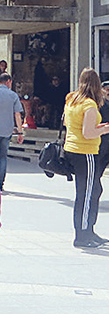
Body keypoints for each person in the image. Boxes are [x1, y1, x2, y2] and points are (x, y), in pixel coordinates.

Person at [63, 68, 109, 248]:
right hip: (86, 151)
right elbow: (88, 133)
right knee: (86, 194)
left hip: (72, 148)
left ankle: (88, 230)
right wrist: (105, 129)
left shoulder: (72, 100)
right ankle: (82, 235)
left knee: (91, 190)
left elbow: (69, 124)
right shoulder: (89, 105)